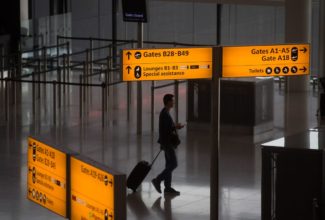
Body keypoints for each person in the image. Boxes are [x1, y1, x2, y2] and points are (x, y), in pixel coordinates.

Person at [152, 94, 184, 195]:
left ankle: (167, 187)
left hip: (166, 142)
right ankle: (158, 179)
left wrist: (175, 126)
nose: (173, 102)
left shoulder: (165, 112)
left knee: (169, 164)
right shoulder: (165, 114)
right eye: (172, 101)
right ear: (168, 102)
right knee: (174, 164)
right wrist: (176, 126)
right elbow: (166, 129)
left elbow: (167, 127)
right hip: (167, 143)